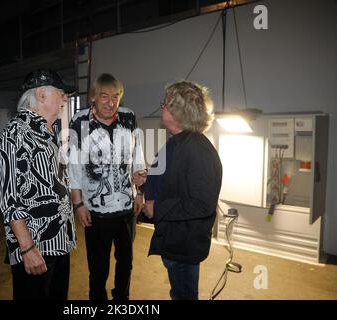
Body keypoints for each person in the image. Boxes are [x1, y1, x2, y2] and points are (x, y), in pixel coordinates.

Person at [0, 69, 77, 300]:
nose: (65, 99)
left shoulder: (48, 133)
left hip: (59, 243)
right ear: (41, 95)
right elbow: (9, 199)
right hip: (36, 248)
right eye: (61, 93)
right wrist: (27, 248)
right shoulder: (16, 133)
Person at [68, 73, 146, 300]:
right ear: (93, 98)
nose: (111, 102)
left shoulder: (129, 117)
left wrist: (140, 192)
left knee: (126, 264)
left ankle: (122, 300)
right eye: (104, 96)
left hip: (125, 209)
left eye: (116, 97)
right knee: (98, 267)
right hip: (95, 211)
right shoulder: (80, 121)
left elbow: (137, 156)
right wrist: (79, 204)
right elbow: (74, 166)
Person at [143, 80, 222, 300]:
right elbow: (172, 178)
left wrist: (157, 207)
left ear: (177, 112)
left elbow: (201, 204)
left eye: (165, 104)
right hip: (174, 238)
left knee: (184, 296)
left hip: (183, 244)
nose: (162, 108)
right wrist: (147, 179)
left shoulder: (198, 150)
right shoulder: (177, 142)